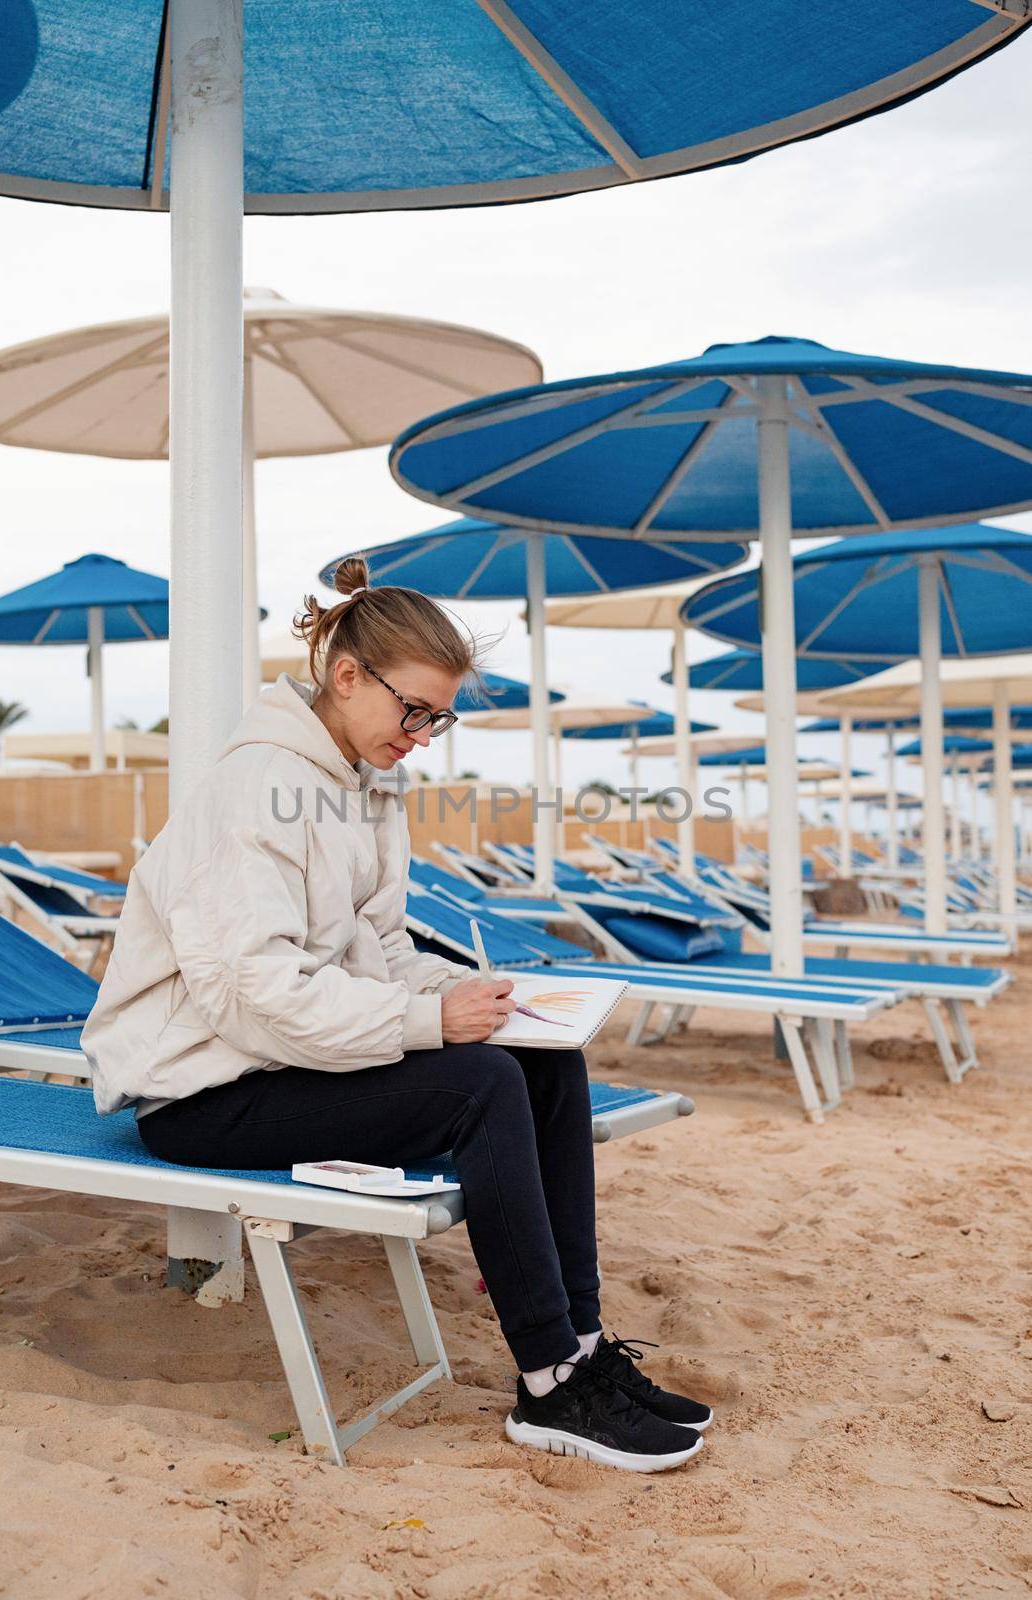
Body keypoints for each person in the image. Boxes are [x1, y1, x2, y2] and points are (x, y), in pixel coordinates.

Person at [81, 557, 711, 1473]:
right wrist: (430, 1024)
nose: (423, 736)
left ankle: (579, 1347)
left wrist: (491, 1000)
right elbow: (252, 993)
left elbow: (381, 956)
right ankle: (549, 1383)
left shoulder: (369, 789)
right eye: (414, 711)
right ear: (346, 677)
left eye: (439, 717)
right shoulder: (255, 789)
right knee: (482, 1086)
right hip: (205, 1090)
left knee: (541, 1061)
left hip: (287, 1062)